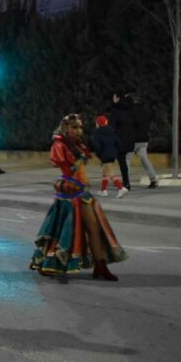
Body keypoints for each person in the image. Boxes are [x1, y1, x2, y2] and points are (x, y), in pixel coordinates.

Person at [30, 114, 127, 281]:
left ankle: (100, 266)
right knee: (66, 231)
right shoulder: (59, 146)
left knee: (94, 228)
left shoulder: (77, 145)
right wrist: (79, 159)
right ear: (66, 127)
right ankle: (54, 263)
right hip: (71, 192)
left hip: (81, 191)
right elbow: (66, 167)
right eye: (74, 127)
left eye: (80, 127)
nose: (78, 130)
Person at [125, 93, 159, 189]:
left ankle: (126, 183)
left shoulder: (129, 112)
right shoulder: (144, 111)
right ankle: (153, 180)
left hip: (132, 140)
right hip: (143, 140)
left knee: (126, 159)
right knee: (145, 159)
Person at [91, 115, 127, 198]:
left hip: (104, 155)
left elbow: (97, 147)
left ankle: (121, 188)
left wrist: (99, 155)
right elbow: (118, 143)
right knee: (105, 172)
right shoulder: (111, 131)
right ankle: (103, 190)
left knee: (110, 173)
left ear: (98, 124)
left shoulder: (98, 133)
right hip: (112, 154)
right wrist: (115, 152)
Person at [110, 93, 135, 191]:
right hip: (129, 140)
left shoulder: (115, 112)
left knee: (110, 162)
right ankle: (126, 182)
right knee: (123, 162)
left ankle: (123, 183)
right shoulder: (130, 111)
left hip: (119, 140)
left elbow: (112, 126)